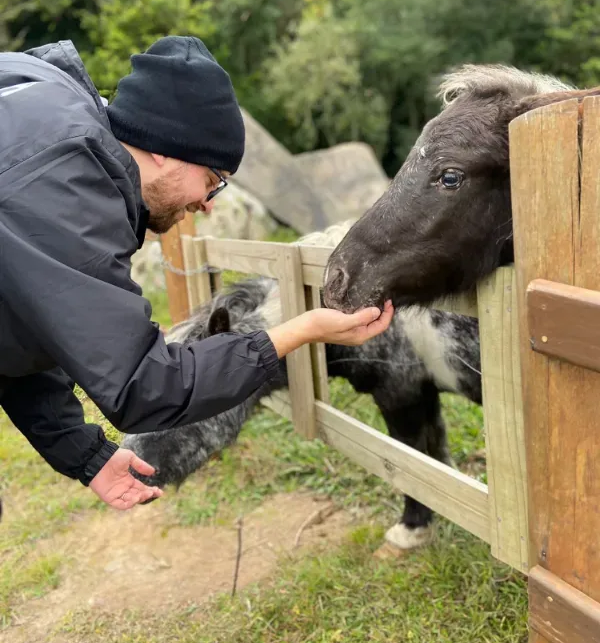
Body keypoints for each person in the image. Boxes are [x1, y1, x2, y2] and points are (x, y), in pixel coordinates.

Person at [0, 35, 394, 506]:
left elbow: (15, 333)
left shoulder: (41, 117)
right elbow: (145, 386)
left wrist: (86, 456)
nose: (207, 204)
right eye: (211, 180)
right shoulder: (65, 183)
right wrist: (302, 329)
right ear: (165, 148)